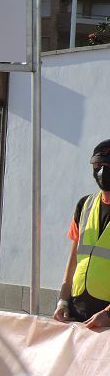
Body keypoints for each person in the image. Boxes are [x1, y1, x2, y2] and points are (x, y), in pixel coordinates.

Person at [54, 139, 110, 328]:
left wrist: (108, 315)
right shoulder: (85, 205)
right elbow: (73, 260)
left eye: (108, 165)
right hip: (77, 312)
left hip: (106, 317)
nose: (102, 171)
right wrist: (63, 301)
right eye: (97, 165)